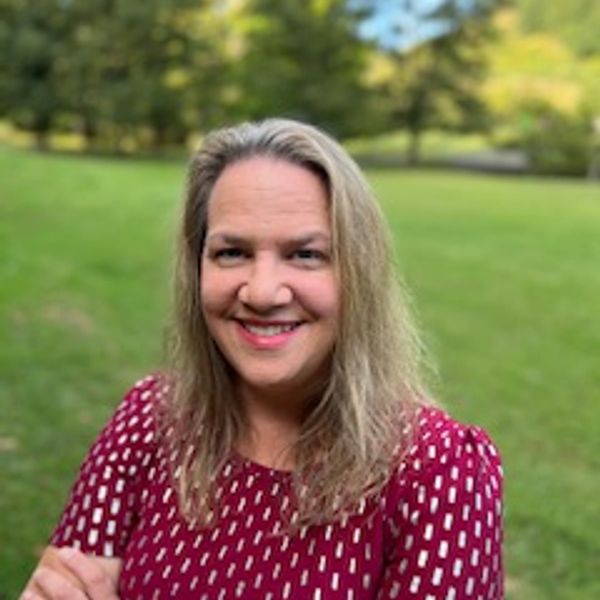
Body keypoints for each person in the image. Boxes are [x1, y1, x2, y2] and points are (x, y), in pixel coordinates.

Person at [22, 118, 503, 599]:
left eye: (306, 254)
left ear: (360, 272)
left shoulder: (440, 472)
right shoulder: (150, 419)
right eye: (231, 253)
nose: (262, 292)